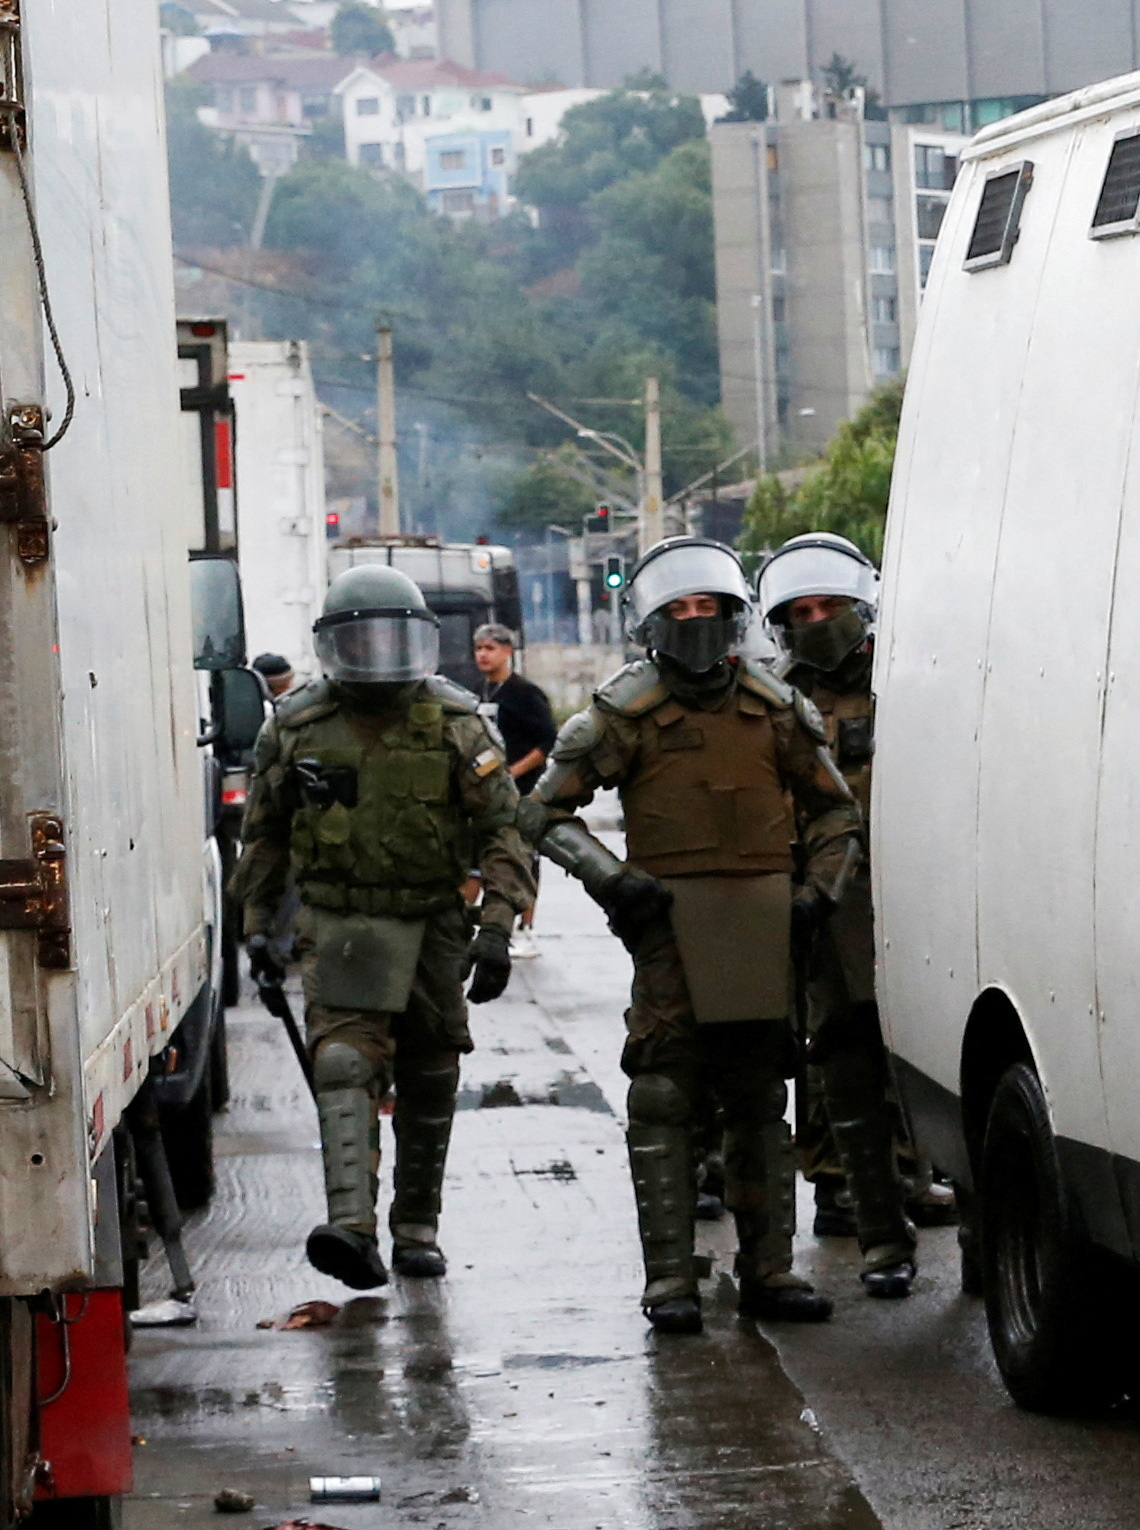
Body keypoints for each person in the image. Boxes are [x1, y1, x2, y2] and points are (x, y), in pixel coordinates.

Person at [529, 537, 859, 1333]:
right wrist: (611, 878)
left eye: (707, 607)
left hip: (761, 926)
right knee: (664, 1093)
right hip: (669, 933)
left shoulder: (774, 707)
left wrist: (817, 892)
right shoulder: (625, 712)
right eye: (678, 609)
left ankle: (770, 1272)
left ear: (732, 614)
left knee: (757, 1098)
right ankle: (671, 1280)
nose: (695, 622)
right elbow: (540, 810)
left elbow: (834, 809)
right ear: (651, 621)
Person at [223, 566, 534, 1289]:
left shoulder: (457, 723)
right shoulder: (297, 727)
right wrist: (256, 927)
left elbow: (502, 830)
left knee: (429, 1075)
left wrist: (495, 927)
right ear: (335, 644)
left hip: (432, 925)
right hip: (341, 922)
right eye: (361, 638)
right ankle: (351, 1229)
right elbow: (264, 836)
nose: (377, 653)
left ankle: (416, 1226)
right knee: (342, 1064)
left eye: (390, 637)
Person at [754, 534, 919, 1299]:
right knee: (846, 1071)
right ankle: (881, 1238)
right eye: (801, 612)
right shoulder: (773, 701)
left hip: (925, 899)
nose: (818, 622)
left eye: (830, 606)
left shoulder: (912, 678)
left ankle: (982, 1239)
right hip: (828, 907)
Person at [465, 621, 556, 787]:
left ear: (507, 651)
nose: (482, 654)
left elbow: (548, 741)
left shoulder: (526, 693)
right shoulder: (477, 690)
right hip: (489, 784)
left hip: (524, 786)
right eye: (478, 648)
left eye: (489, 648)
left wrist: (513, 772)